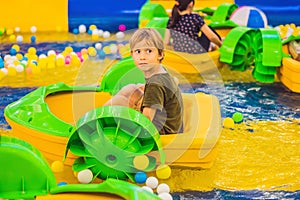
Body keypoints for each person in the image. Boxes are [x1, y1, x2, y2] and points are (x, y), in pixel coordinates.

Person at [105, 28, 184, 134]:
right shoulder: (161, 74)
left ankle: (99, 124)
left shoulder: (155, 84)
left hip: (161, 132)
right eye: (138, 52)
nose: (142, 57)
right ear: (132, 55)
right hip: (169, 125)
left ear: (160, 54)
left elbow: (146, 120)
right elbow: (174, 81)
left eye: (149, 51)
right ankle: (100, 118)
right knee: (131, 89)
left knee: (119, 101)